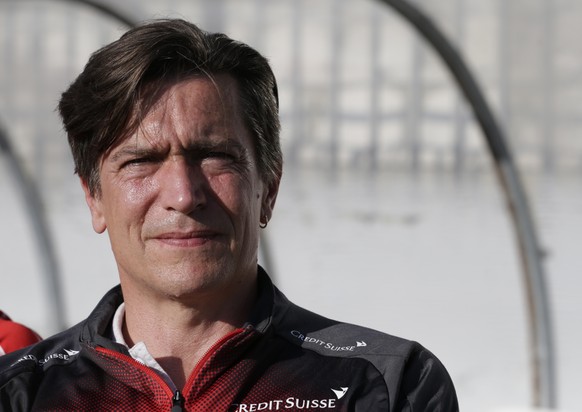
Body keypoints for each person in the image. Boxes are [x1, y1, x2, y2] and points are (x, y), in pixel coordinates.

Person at [0, 19, 458, 411]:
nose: (183, 194)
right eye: (141, 161)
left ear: (268, 187)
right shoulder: (20, 391)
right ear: (93, 198)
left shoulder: (386, 385)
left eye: (215, 156)